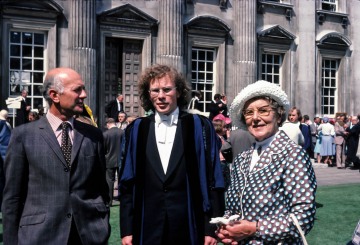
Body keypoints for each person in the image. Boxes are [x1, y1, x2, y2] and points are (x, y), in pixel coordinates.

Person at [119, 64, 225, 245]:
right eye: (155, 90)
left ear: (178, 92)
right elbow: (127, 183)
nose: (161, 96)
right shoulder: (137, 129)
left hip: (190, 224)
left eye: (167, 89)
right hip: (147, 224)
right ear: (148, 93)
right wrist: (127, 229)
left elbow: (213, 177)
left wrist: (211, 227)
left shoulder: (199, 126)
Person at [2, 67, 110, 244]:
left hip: (88, 235)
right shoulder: (23, 135)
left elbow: (101, 189)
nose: (84, 95)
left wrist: (101, 224)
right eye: (77, 90)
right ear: (55, 95)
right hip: (40, 236)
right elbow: (12, 197)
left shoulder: (93, 135)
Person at [216, 80, 317, 244]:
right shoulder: (242, 158)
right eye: (249, 113)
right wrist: (227, 227)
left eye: (263, 111)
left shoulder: (293, 154)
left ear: (278, 115)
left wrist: (255, 228)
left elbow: (303, 218)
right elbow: (233, 208)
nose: (255, 118)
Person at [103, 117, 124, 205]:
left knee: (109, 181)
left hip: (109, 160)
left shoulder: (106, 134)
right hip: (121, 160)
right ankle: (122, 198)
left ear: (108, 124)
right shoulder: (122, 132)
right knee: (122, 179)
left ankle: (109, 200)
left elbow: (103, 149)